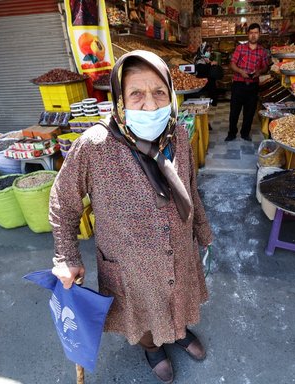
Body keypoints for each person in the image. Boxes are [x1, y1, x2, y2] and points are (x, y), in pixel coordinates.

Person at [49, 50, 213, 384]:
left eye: (159, 93)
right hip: (130, 262)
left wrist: (202, 232)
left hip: (178, 247)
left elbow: (191, 188)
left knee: (178, 295)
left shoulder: (178, 135)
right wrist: (67, 256)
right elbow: (63, 201)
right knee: (143, 309)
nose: (150, 105)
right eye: (136, 94)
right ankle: (153, 348)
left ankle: (178, 332)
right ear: (120, 101)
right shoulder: (95, 145)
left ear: (170, 95)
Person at [226, 23, 271, 141]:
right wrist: (241, 71)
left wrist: (259, 72)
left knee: (249, 112)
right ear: (248, 34)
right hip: (238, 84)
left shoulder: (262, 51)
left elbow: (265, 67)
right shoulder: (240, 48)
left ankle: (245, 133)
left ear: (259, 34)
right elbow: (232, 64)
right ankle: (231, 133)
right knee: (234, 111)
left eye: (256, 33)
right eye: (251, 33)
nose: (253, 35)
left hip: (253, 85)